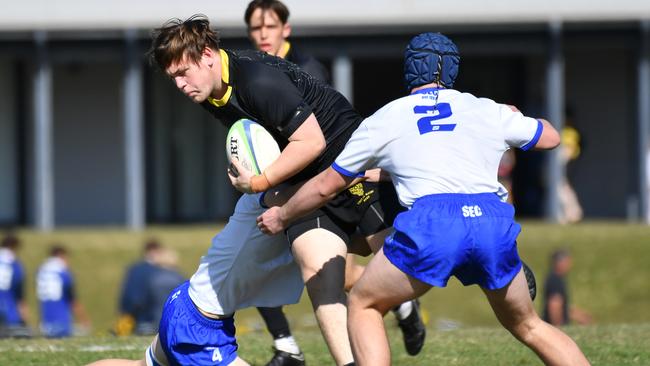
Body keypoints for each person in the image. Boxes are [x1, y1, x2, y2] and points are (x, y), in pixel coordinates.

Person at [257, 32, 590, 365]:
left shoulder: (386, 118)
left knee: (364, 303)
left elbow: (326, 186)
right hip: (491, 221)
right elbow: (550, 137)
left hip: (434, 224)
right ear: (453, 72)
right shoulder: (485, 109)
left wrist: (283, 214)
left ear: (410, 71)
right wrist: (512, 114)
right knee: (529, 325)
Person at [244, 1, 423, 363]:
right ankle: (287, 346)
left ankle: (405, 305)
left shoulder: (307, 69)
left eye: (270, 26)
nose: (263, 34)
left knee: (387, 255)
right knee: (283, 262)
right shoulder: (251, 72)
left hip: (341, 177)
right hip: (298, 185)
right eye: (256, 28)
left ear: (285, 30)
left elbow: (318, 136)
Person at [36, 245, 91, 337]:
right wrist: (84, 319)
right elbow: (72, 299)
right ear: (61, 255)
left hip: (45, 321)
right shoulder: (63, 272)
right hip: (62, 320)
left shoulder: (41, 270)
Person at [117, 239, 163, 336]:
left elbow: (127, 294)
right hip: (149, 316)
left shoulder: (134, 268)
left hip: (134, 316)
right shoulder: (158, 270)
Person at [543, 249, 592, 326]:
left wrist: (579, 315)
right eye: (567, 262)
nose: (569, 265)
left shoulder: (556, 278)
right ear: (559, 263)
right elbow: (554, 305)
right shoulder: (555, 280)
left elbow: (563, 307)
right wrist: (558, 327)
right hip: (555, 325)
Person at [0, 234, 31, 338]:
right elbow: (20, 294)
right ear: (14, 247)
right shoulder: (15, 265)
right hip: (8, 309)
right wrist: (24, 316)